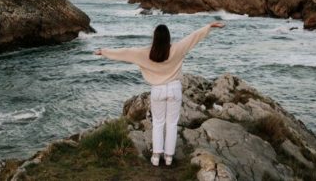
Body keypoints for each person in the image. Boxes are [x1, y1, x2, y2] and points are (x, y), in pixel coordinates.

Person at [94, 21, 225, 166]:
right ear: (168, 38)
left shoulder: (144, 53)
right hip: (174, 89)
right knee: (172, 124)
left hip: (158, 90)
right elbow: (193, 37)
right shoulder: (177, 49)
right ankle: (168, 158)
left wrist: (103, 52)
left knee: (157, 124)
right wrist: (209, 26)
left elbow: (125, 52)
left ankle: (156, 157)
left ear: (154, 38)